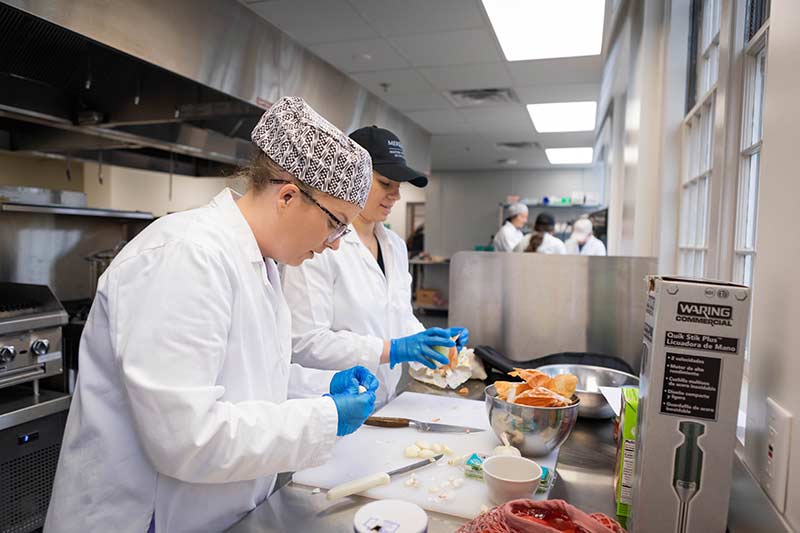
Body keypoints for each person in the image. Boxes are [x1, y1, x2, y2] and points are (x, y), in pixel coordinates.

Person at [45, 97, 381, 533]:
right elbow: (188, 438)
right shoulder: (186, 256)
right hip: (143, 517)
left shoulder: (259, 263)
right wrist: (325, 417)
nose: (336, 243)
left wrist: (318, 387)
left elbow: (244, 379)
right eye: (336, 223)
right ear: (287, 196)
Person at [282, 125, 468, 407]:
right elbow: (305, 341)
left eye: (398, 186)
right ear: (352, 177)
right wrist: (390, 350)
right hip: (332, 404)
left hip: (386, 401)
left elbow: (400, 316)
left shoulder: (394, 245)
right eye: (385, 183)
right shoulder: (319, 244)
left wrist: (432, 341)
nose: (396, 195)